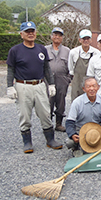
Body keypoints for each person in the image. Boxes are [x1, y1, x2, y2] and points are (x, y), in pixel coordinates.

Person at [6, 21, 63, 153]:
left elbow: (47, 68)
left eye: (32, 31)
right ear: (21, 34)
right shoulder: (15, 50)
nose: (30, 34)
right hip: (22, 85)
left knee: (45, 113)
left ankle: (50, 140)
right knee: (24, 114)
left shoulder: (41, 49)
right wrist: (10, 86)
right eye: (27, 32)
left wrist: (51, 84)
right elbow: (10, 70)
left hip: (40, 85)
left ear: (35, 33)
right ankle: (27, 142)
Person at [65, 77, 101, 156]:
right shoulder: (77, 102)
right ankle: (77, 148)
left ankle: (98, 144)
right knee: (69, 142)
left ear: (98, 87)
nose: (92, 89)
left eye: (94, 86)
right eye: (88, 86)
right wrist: (72, 134)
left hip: (97, 130)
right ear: (84, 89)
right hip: (80, 130)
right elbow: (69, 122)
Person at [45, 27, 70, 132]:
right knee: (48, 102)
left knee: (61, 102)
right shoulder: (45, 49)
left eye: (59, 35)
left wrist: (68, 79)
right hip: (48, 81)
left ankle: (59, 123)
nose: (57, 37)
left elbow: (70, 66)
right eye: (55, 35)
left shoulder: (67, 51)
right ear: (51, 36)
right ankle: (48, 124)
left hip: (62, 80)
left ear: (62, 38)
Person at [68, 29, 100, 101]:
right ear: (80, 40)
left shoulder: (96, 53)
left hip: (91, 83)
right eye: (83, 38)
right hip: (77, 82)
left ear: (91, 40)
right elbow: (71, 69)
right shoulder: (73, 52)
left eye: (88, 38)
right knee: (76, 102)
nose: (86, 40)